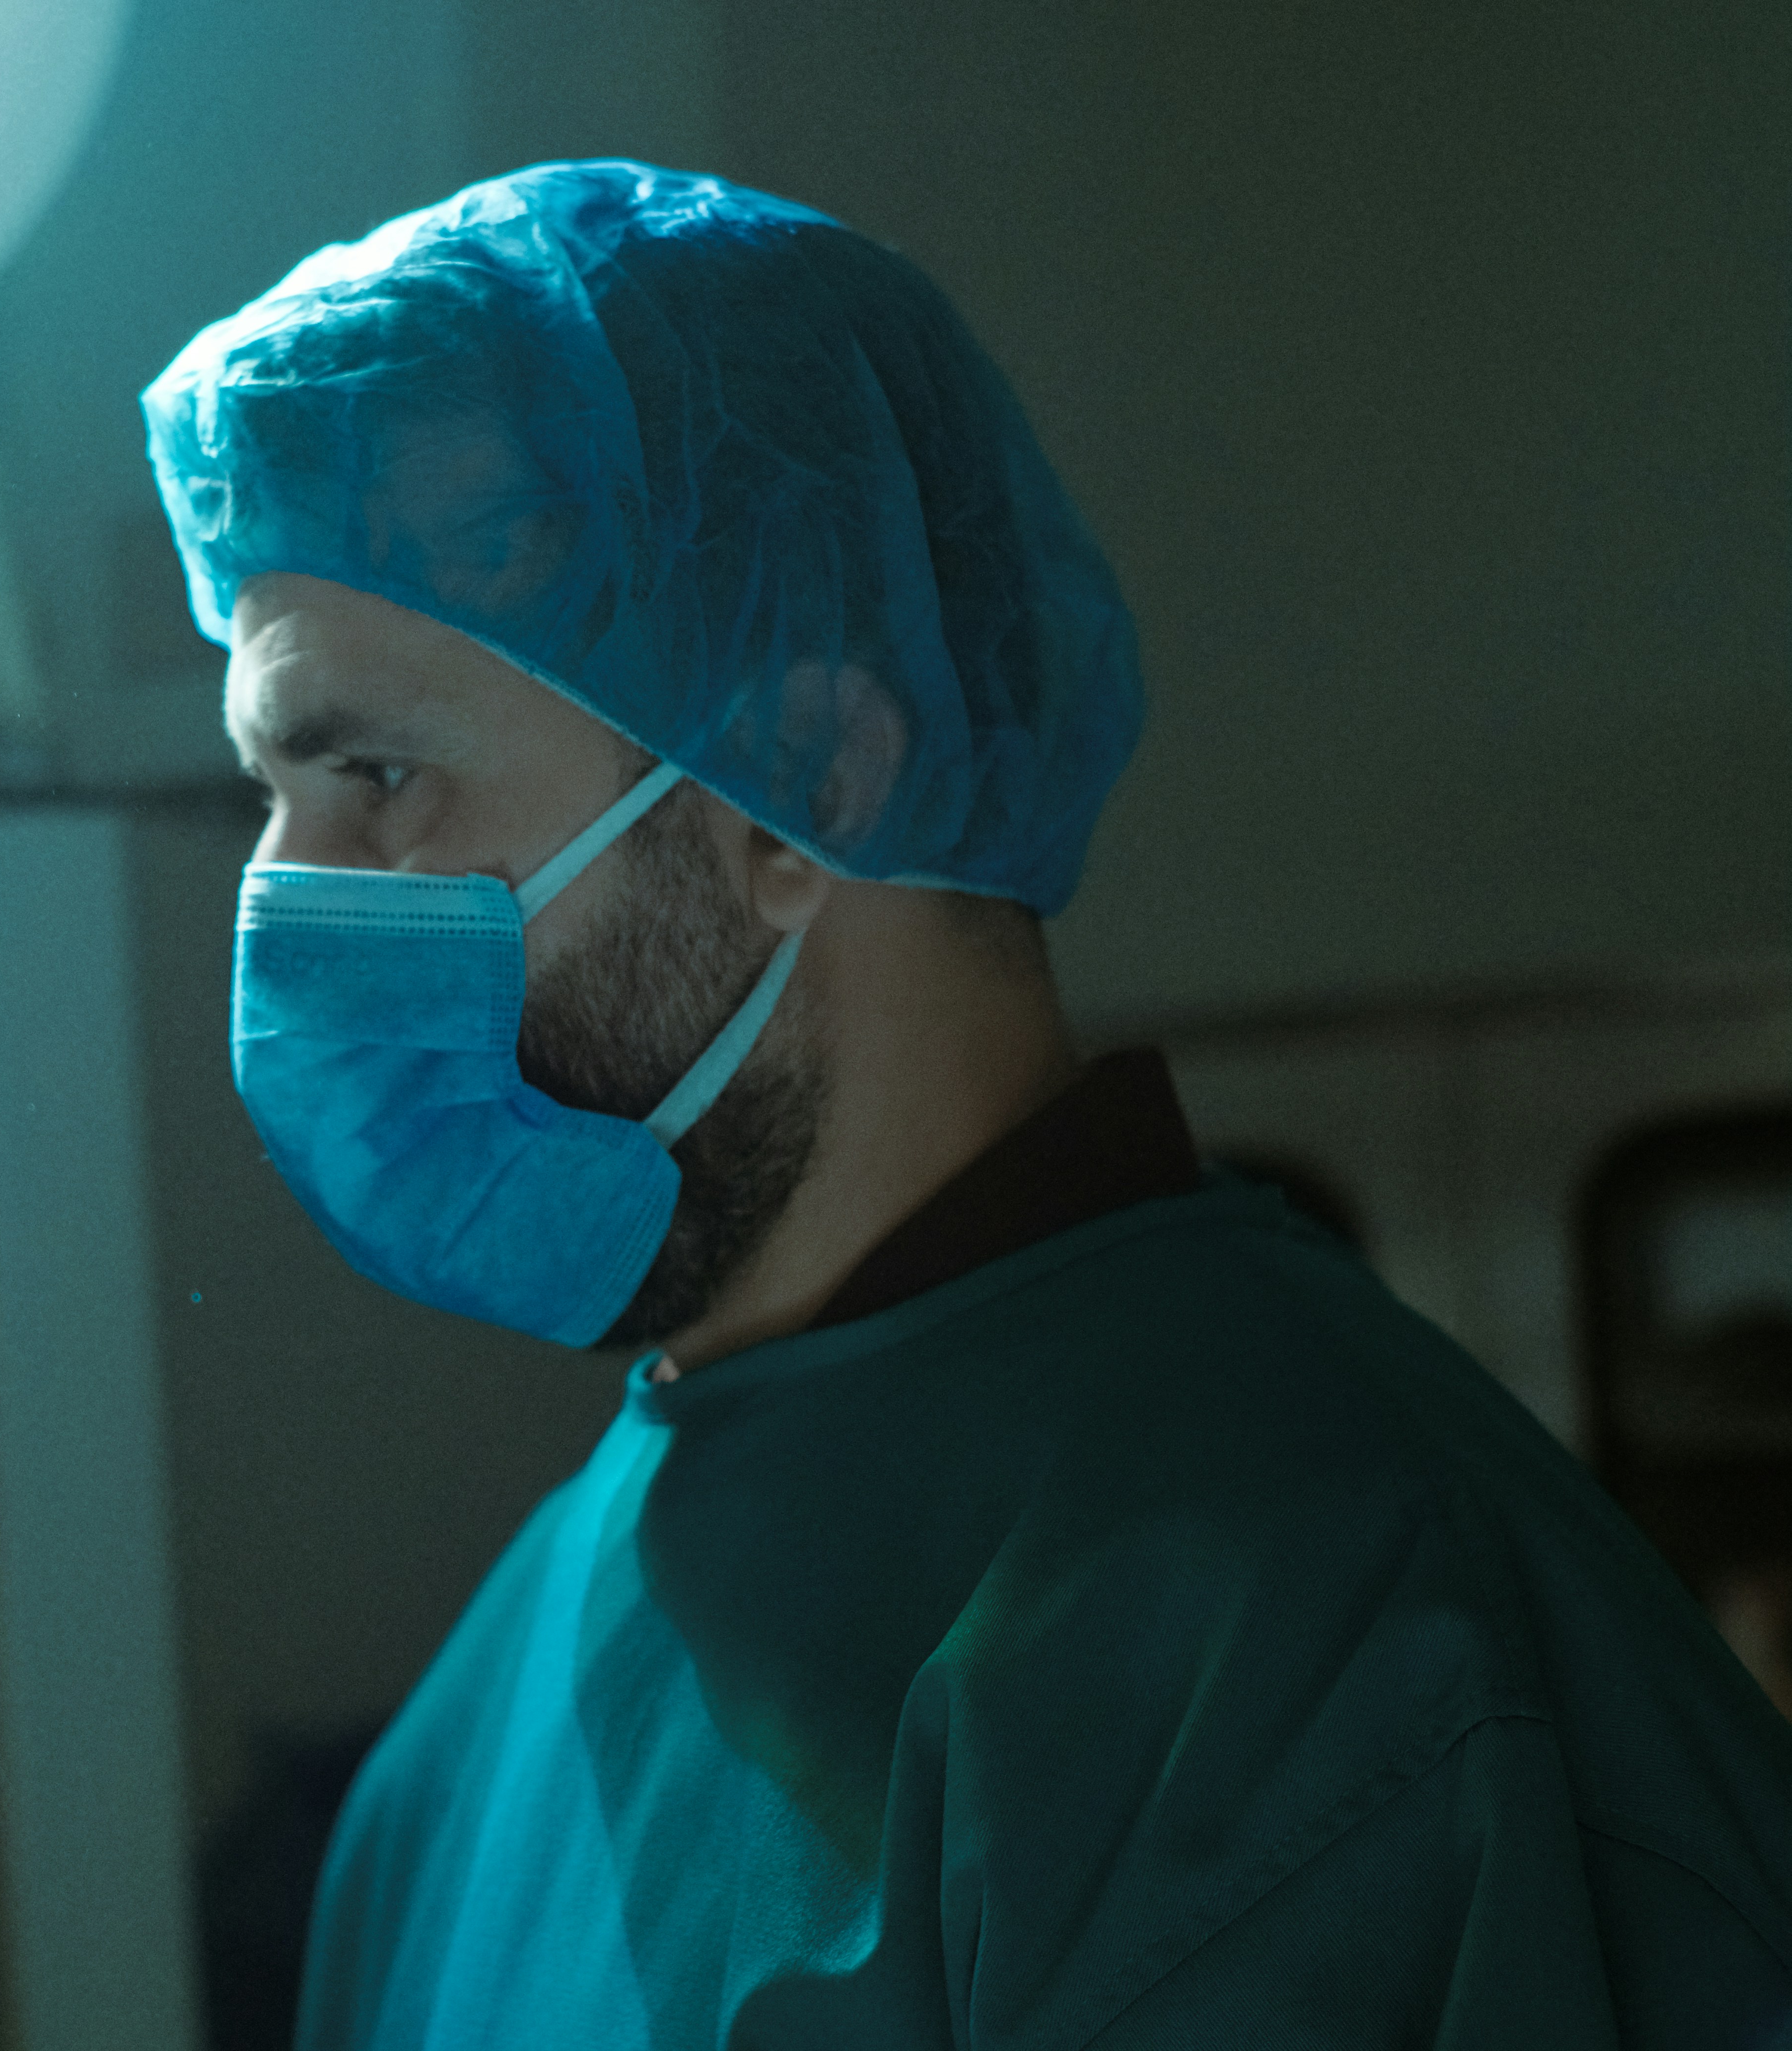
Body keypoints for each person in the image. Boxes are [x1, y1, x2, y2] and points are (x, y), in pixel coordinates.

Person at [140, 161, 1792, 2050]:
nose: (296, 900)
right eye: (271, 797)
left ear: (802, 779)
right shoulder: (489, 1718)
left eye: (374, 774)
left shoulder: (1316, 1666)